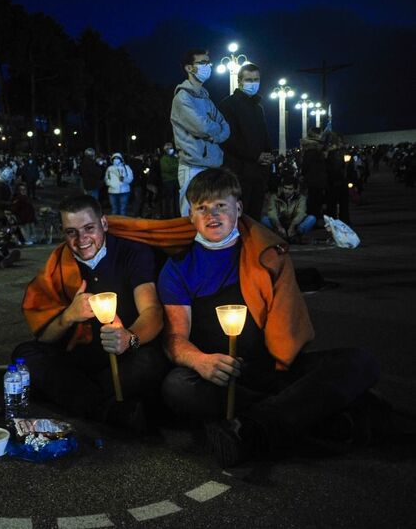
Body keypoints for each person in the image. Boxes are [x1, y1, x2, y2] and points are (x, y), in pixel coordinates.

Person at [158, 168, 381, 467]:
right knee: (178, 386)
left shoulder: (266, 252)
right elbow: (174, 339)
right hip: (220, 374)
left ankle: (252, 425)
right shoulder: (178, 266)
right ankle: (315, 414)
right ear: (191, 216)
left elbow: (287, 329)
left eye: (220, 205)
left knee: (360, 360)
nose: (212, 214)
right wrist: (201, 361)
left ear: (238, 208)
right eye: (202, 208)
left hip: (271, 364)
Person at [14, 195, 167, 433]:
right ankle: (106, 408)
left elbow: (152, 310)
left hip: (127, 351)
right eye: (71, 232)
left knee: (150, 362)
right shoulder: (60, 262)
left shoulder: (132, 252)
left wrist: (129, 337)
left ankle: (83, 400)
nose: (81, 240)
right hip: (83, 352)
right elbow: (44, 338)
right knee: (25, 354)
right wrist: (69, 316)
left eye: (89, 228)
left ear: (104, 224)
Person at [170, 49, 230, 216]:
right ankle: (188, 243)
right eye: (202, 62)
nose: (208, 66)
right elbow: (202, 127)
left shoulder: (206, 99)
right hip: (193, 166)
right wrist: (215, 130)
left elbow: (226, 127)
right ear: (189, 68)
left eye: (208, 62)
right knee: (191, 215)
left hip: (211, 165)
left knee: (210, 216)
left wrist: (214, 133)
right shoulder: (182, 98)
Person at [219, 63, 274, 221]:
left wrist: (269, 156)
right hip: (238, 173)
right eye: (249, 79)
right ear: (240, 81)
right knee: (238, 218)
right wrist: (256, 156)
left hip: (258, 174)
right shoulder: (228, 105)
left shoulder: (258, 108)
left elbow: (264, 136)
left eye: (256, 79)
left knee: (255, 218)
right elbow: (228, 139)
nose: (253, 83)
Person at [261, 176, 315, 243]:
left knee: (311, 219)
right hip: (280, 222)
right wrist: (279, 227)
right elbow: (272, 213)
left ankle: (295, 235)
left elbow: (301, 213)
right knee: (264, 219)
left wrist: (292, 227)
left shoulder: (301, 198)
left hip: (295, 224)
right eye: (285, 188)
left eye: (290, 189)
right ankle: (280, 235)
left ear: (295, 189)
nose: (287, 191)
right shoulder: (275, 197)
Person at [159, 143, 180, 218]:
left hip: (176, 180)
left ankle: (176, 214)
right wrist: (176, 167)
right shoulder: (163, 159)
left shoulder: (175, 157)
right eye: (168, 148)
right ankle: (168, 215)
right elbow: (167, 169)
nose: (170, 150)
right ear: (165, 150)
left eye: (171, 148)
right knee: (168, 199)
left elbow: (179, 165)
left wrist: (175, 166)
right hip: (168, 181)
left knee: (176, 199)